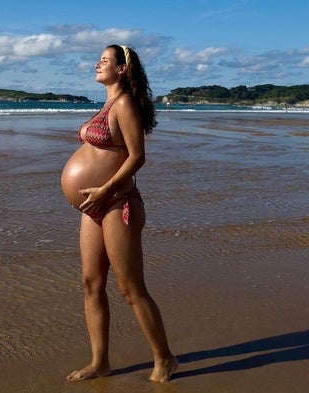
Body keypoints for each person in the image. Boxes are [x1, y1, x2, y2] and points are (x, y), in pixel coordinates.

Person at [60, 44, 177, 383]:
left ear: (123, 70)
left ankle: (165, 358)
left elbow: (137, 157)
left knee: (130, 288)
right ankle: (100, 362)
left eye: (106, 60)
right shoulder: (108, 104)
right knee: (90, 283)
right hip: (94, 206)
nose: (98, 63)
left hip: (117, 203)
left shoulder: (124, 104)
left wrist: (106, 189)